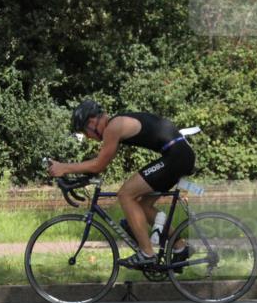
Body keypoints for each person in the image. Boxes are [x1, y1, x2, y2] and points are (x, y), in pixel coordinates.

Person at [46, 100, 195, 269]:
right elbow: (101, 164)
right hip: (179, 155)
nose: (88, 137)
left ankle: (147, 253)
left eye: (85, 131)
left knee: (125, 194)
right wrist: (78, 176)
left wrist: (64, 168)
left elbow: (98, 165)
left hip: (176, 157)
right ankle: (180, 247)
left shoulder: (114, 127)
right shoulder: (117, 124)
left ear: (92, 122)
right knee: (143, 206)